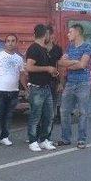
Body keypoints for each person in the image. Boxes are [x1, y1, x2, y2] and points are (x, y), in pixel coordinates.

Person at [57, 23, 91, 149]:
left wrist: (69, 64)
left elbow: (83, 65)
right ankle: (65, 138)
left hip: (83, 83)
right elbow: (61, 62)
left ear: (77, 32)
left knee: (83, 112)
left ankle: (81, 140)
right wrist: (73, 62)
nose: (68, 34)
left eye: (70, 32)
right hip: (70, 82)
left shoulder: (87, 46)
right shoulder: (69, 47)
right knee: (64, 111)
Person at [0, 34, 26, 148]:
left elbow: (22, 75)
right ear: (5, 43)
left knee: (8, 116)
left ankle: (4, 137)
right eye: (8, 41)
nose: (10, 43)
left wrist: (26, 87)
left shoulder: (19, 58)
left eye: (13, 41)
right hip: (0, 91)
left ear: (16, 43)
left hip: (13, 91)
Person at [25, 24, 58, 152]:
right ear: (46, 35)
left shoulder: (43, 49)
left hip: (46, 87)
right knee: (35, 116)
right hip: (37, 88)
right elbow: (29, 67)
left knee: (49, 116)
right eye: (48, 34)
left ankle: (44, 140)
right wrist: (47, 68)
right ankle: (33, 141)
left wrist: (52, 72)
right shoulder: (34, 48)